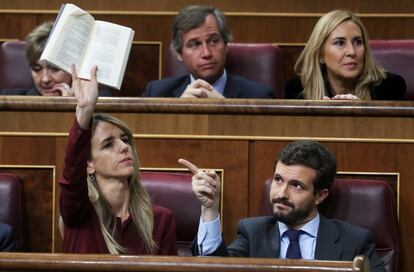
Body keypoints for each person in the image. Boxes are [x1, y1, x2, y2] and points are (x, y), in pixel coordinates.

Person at [179, 141, 385, 272]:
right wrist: (210, 208)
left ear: (320, 196)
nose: (281, 193)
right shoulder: (253, 233)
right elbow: (214, 268)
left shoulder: (354, 241)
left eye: (296, 185)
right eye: (278, 180)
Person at [59, 64, 177, 254]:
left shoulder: (161, 219)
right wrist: (85, 111)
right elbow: (71, 172)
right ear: (89, 164)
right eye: (108, 144)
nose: (124, 147)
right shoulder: (78, 213)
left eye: (124, 140)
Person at [143, 5, 275, 98]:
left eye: (213, 41)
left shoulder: (260, 96)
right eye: (194, 44)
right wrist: (178, 113)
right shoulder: (156, 93)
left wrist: (226, 111)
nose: (206, 53)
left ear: (226, 45)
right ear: (179, 53)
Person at [284, 10, 406, 100]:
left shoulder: (389, 87)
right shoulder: (298, 90)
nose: (352, 52)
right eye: (339, 43)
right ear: (320, 52)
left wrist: (362, 114)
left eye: (358, 42)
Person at [1, 22, 111, 97]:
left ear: (74, 69)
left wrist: (72, 106)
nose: (45, 79)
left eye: (54, 69)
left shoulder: (100, 101)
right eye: (37, 69)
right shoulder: (7, 100)